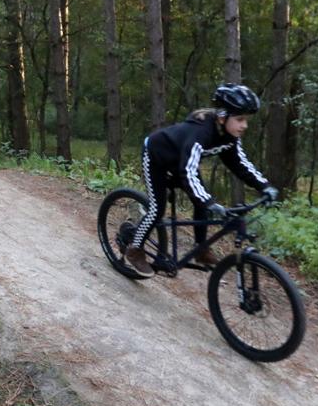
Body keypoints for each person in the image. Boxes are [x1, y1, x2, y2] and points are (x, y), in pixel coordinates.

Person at [118, 83, 279, 278]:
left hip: (180, 162)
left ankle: (200, 250)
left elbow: (241, 165)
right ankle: (134, 250)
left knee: (201, 202)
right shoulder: (200, 132)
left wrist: (265, 187)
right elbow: (188, 171)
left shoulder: (229, 137)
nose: (244, 125)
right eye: (240, 119)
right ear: (222, 116)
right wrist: (210, 202)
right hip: (156, 157)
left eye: (246, 120)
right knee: (157, 209)